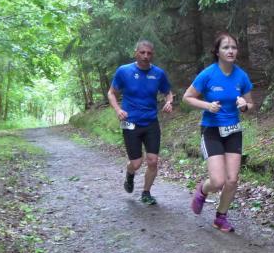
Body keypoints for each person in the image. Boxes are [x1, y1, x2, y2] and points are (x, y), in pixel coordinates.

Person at [183, 32, 255, 232]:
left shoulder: (241, 76)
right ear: (217, 52)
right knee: (217, 181)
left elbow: (250, 104)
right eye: (226, 47)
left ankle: (220, 218)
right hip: (211, 130)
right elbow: (187, 97)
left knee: (232, 180)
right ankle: (202, 190)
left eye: (234, 47)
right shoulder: (208, 74)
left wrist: (244, 106)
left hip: (233, 131)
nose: (231, 51)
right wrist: (207, 105)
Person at [107, 40, 173, 205]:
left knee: (153, 161)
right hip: (130, 122)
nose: (145, 56)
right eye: (142, 52)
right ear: (135, 53)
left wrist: (169, 102)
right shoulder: (124, 71)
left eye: (149, 53)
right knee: (136, 163)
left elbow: (168, 92)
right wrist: (118, 110)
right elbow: (111, 93)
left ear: (152, 55)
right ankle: (130, 174)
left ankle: (146, 192)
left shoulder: (158, 73)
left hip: (151, 122)